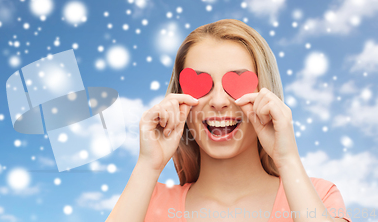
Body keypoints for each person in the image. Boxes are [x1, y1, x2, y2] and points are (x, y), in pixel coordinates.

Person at [106, 19, 351, 222]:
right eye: (200, 84)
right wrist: (148, 165)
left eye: (237, 83)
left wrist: (287, 159)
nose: (219, 101)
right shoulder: (148, 204)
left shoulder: (319, 197)